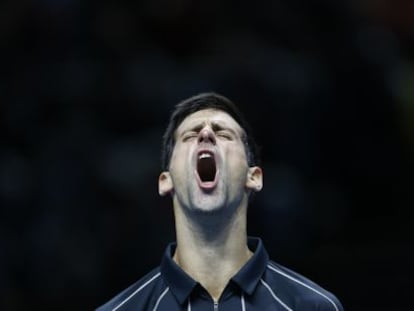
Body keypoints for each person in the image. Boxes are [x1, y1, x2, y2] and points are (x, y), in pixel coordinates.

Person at [96, 93, 344, 311]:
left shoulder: (312, 306)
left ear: (254, 177)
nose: (205, 134)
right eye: (190, 135)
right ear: (166, 181)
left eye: (224, 134)